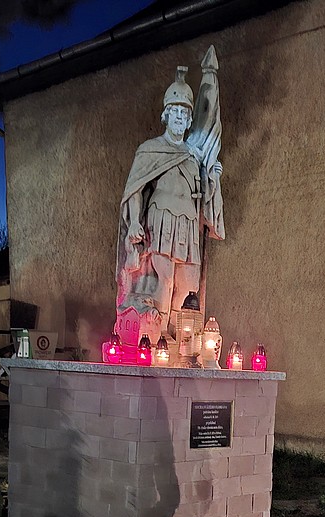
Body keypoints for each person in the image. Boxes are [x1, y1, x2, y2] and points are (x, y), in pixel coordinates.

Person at [115, 59, 224, 338]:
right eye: (174, 111)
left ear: (189, 120)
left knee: (188, 287)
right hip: (161, 220)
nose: (179, 117)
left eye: (184, 113)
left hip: (188, 224)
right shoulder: (150, 149)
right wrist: (135, 222)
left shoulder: (193, 155)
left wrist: (212, 179)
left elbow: (202, 196)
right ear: (165, 115)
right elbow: (135, 188)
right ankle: (158, 338)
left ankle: (183, 343)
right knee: (163, 282)